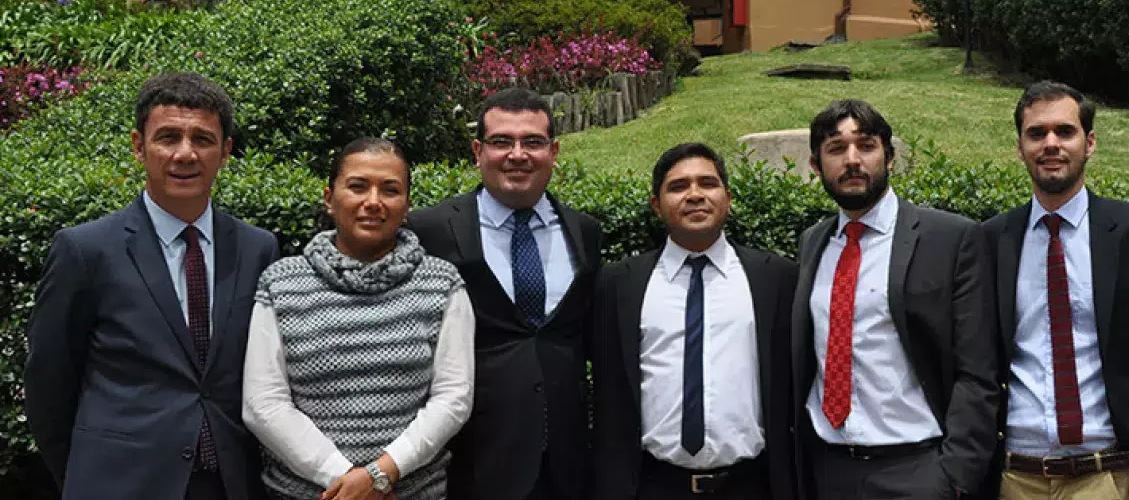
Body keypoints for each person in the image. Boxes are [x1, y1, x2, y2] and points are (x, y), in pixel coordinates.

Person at [23, 73, 279, 500]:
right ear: (139, 146)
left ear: (225, 152)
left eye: (203, 139)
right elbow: (48, 384)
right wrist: (83, 480)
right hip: (118, 483)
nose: (185, 153)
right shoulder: (85, 251)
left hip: (230, 483)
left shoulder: (257, 249)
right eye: (168, 137)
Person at [979, 81, 1129, 500]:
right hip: (1015, 478)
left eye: (1065, 131)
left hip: (1105, 474)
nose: (1051, 144)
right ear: (1020, 148)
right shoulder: (991, 240)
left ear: (1089, 143)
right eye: (1036, 133)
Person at [243, 137, 474, 500]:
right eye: (357, 186)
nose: (373, 201)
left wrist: (382, 473)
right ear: (329, 198)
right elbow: (263, 403)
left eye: (390, 190)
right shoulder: (281, 283)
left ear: (407, 205)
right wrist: (346, 479)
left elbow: (453, 397)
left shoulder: (441, 283)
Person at [791, 99, 999, 500]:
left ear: (889, 157)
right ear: (816, 165)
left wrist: (956, 476)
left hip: (919, 473)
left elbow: (978, 370)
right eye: (836, 148)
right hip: (828, 471)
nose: (852, 160)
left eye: (866, 146)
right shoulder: (813, 242)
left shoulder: (950, 239)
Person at [406, 87, 601, 500]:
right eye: (501, 142)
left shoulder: (585, 231)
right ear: (478, 151)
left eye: (533, 142)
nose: (517, 154)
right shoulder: (430, 230)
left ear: (554, 151)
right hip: (472, 466)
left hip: (567, 467)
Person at [591, 143, 797, 500]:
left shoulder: (776, 279)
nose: (695, 195)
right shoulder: (619, 284)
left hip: (751, 486)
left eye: (708, 183)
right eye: (678, 186)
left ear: (727, 198)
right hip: (652, 486)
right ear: (657, 205)